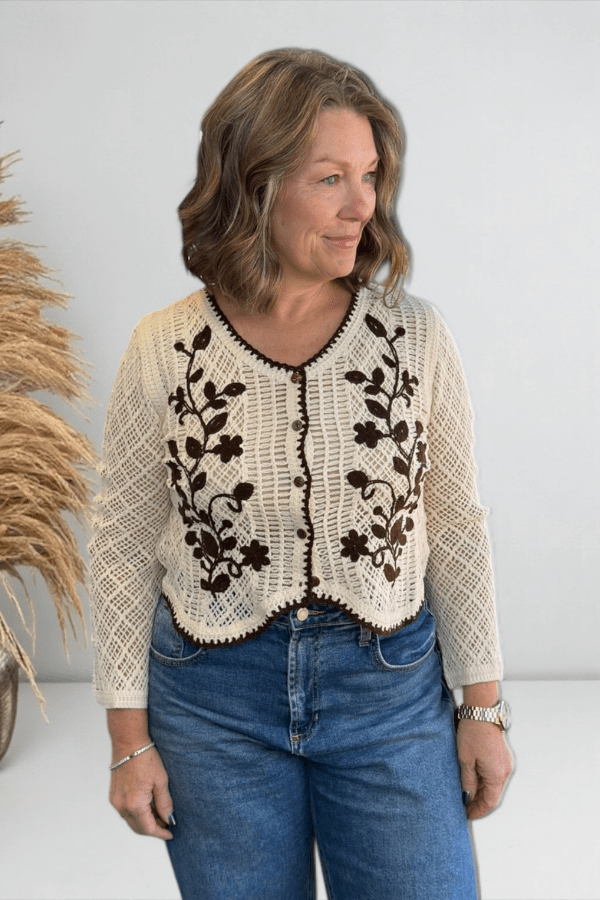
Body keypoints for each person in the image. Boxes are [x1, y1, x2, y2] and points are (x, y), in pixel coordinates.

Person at [89, 48, 512, 900]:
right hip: (210, 706)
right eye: (330, 179)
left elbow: (455, 523)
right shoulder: (164, 347)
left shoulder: (414, 337)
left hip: (389, 693)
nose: (364, 204)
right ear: (256, 185)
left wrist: (482, 707)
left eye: (370, 175)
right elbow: (123, 542)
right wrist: (129, 741)